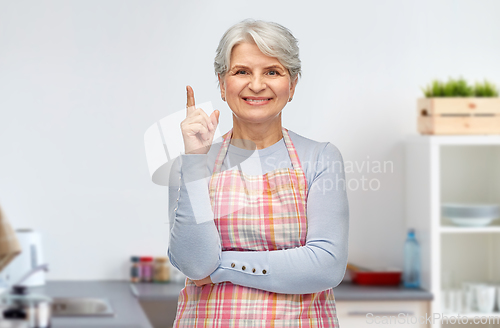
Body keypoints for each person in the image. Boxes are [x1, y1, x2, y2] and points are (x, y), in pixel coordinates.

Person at [167, 19, 349, 328]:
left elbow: (325, 266)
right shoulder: (192, 164)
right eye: (241, 72)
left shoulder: (320, 159)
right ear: (223, 86)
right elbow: (195, 264)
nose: (256, 84)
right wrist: (195, 162)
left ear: (291, 86)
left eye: (272, 72)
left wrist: (221, 267)